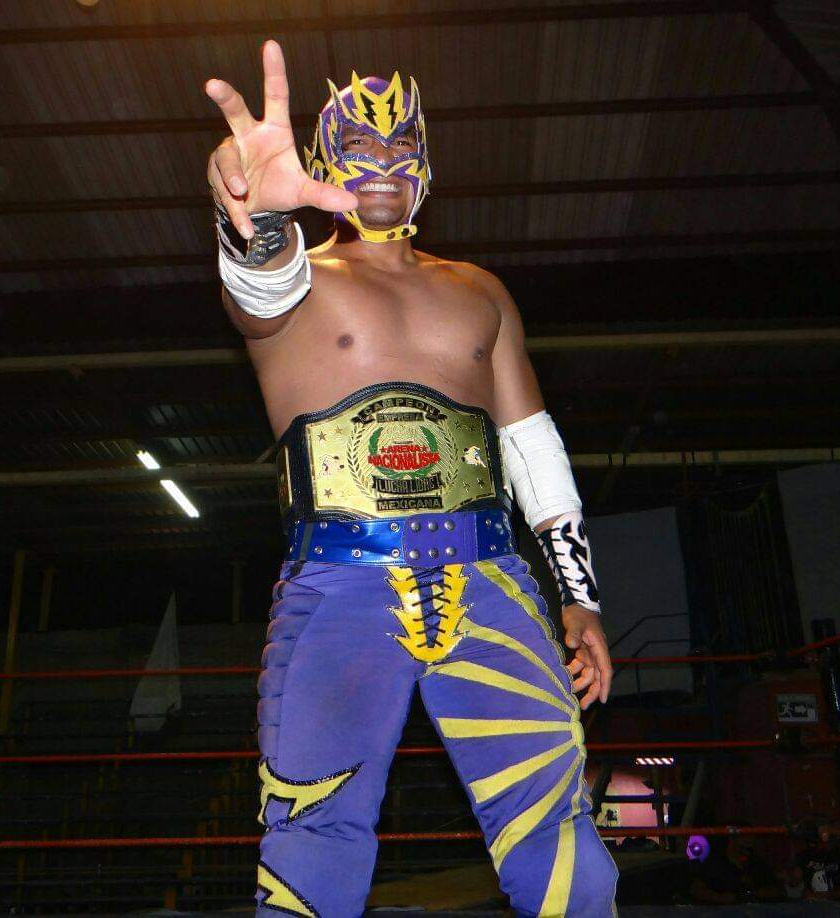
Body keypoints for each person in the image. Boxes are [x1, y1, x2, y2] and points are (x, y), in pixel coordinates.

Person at [205, 40, 617, 917]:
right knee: (312, 837)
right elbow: (258, 291)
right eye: (360, 148)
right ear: (324, 161)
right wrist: (258, 220)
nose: (383, 165)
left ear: (426, 161)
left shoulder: (479, 290)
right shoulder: (302, 281)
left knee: (560, 832)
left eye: (400, 148)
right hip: (339, 581)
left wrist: (578, 597)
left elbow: (531, 447)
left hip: (492, 578)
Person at [688, 833, 785, 905]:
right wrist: (720, 898)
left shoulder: (756, 863)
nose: (747, 848)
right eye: (743, 842)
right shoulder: (715, 863)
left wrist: (753, 893)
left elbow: (778, 890)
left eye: (750, 843)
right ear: (732, 839)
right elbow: (696, 890)